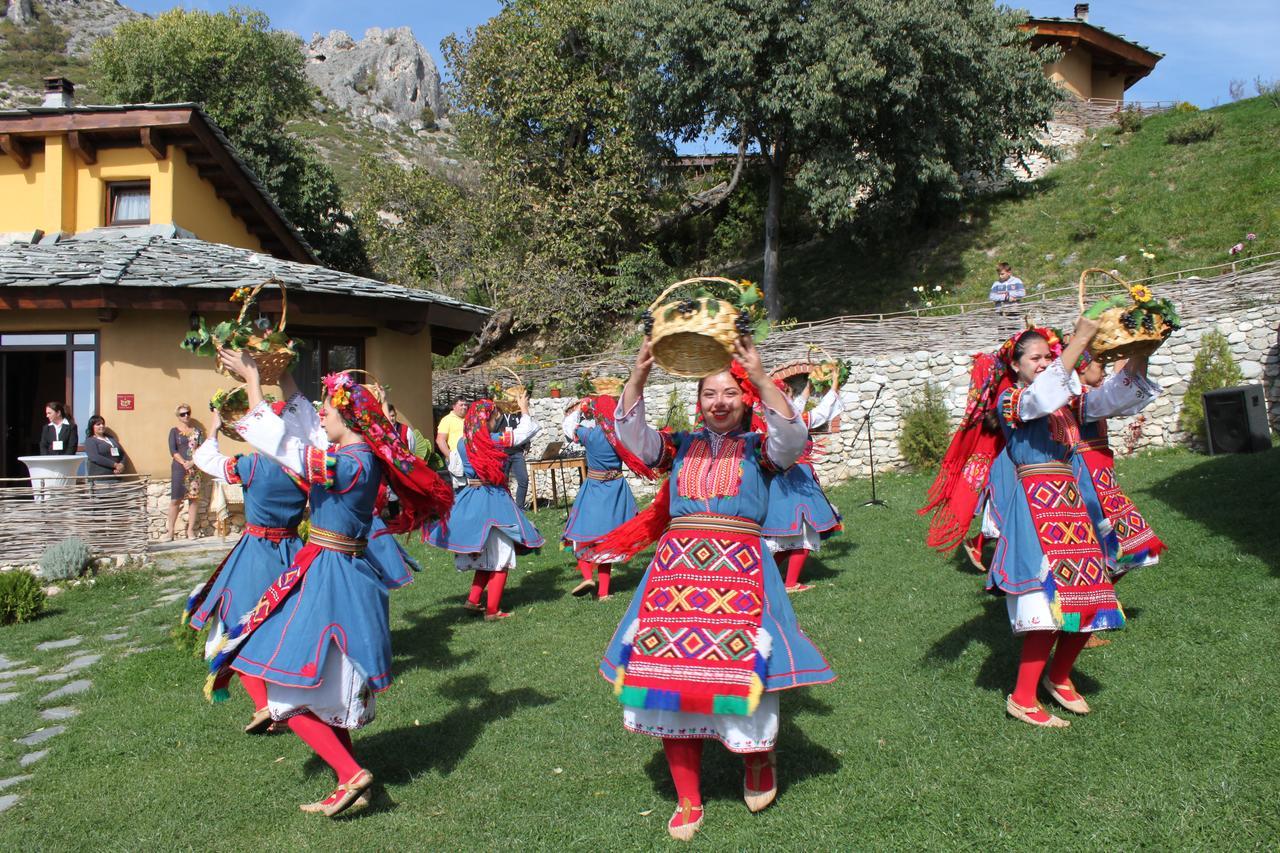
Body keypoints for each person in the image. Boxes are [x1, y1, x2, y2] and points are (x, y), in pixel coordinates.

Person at [589, 337, 835, 842]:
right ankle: (687, 795)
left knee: (746, 672)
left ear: (745, 400)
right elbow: (634, 438)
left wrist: (762, 377)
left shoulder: (762, 452)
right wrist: (637, 378)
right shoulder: (677, 445)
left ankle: (757, 763)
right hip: (676, 575)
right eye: (708, 395)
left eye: (729, 394)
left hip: (741, 571)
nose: (719, 403)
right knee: (669, 679)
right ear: (697, 402)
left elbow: (793, 437)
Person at [210, 348, 453, 818]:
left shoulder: (352, 465)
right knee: (319, 687)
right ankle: (347, 776)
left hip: (333, 576)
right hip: (329, 569)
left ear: (347, 417)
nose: (320, 414)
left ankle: (351, 773)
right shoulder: (352, 453)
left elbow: (286, 447)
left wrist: (256, 382)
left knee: (287, 689)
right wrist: (287, 383)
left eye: (328, 408)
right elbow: (302, 431)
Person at [982, 318, 1159, 727]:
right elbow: (1041, 398)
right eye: (1035, 357)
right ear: (1016, 366)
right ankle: (1023, 698)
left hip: (1072, 507)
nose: (1044, 363)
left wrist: (1139, 354)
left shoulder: (1065, 404)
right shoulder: (1011, 400)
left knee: (1094, 602)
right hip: (1036, 508)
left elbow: (1112, 398)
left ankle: (1058, 677)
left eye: (1048, 356)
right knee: (1045, 608)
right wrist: (1078, 340)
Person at [187, 391, 309, 735]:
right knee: (283, 628)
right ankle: (283, 700)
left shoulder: (251, 465)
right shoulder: (303, 466)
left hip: (255, 554)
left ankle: (263, 705)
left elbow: (205, 460)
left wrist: (212, 425)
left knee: (236, 628)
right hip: (293, 552)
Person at [1073, 354, 1165, 648]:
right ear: (1082, 368)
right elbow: (1117, 394)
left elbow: (1123, 395)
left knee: (1135, 548)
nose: (1102, 372)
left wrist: (1142, 354)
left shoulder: (1091, 394)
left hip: (1102, 478)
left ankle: (1094, 610)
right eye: (1098, 366)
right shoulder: (1076, 399)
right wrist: (1138, 356)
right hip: (1087, 483)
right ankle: (1083, 621)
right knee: (1105, 552)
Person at [426, 393, 544, 620]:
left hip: (471, 496)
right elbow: (526, 432)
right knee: (501, 554)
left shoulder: (461, 443)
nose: (496, 421)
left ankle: (473, 600)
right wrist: (524, 409)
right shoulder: (494, 439)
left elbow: (457, 470)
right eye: (494, 418)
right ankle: (492, 610)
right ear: (486, 420)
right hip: (493, 498)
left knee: (486, 553)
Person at [560, 394, 658, 599]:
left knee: (581, 534)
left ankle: (587, 576)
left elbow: (568, 426)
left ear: (595, 414)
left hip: (594, 488)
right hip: (616, 488)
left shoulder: (590, 435)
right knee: (608, 540)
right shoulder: (621, 437)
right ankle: (603, 593)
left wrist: (580, 408)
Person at [761, 380, 844, 592]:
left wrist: (809, 385)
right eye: (786, 395)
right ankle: (789, 583)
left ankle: (765, 578)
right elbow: (822, 413)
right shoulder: (793, 422)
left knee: (788, 535)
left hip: (780, 481)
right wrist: (834, 386)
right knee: (806, 533)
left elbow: (796, 405)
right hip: (796, 482)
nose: (789, 400)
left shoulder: (773, 421)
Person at [167, 404, 204, 541]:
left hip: (195, 469)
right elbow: (173, 451)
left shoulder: (198, 431)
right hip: (179, 468)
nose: (186, 416)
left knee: (193, 499)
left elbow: (201, 449)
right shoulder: (174, 432)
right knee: (175, 499)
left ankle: (190, 531)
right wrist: (184, 463)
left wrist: (193, 462)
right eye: (182, 414)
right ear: (178, 416)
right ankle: (170, 531)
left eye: (187, 413)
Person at [504, 408, 532, 509]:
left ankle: (519, 508)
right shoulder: (498, 414)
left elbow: (525, 431)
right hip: (503, 453)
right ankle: (507, 507)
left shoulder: (518, 415)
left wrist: (527, 445)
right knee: (502, 482)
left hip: (517, 452)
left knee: (523, 480)